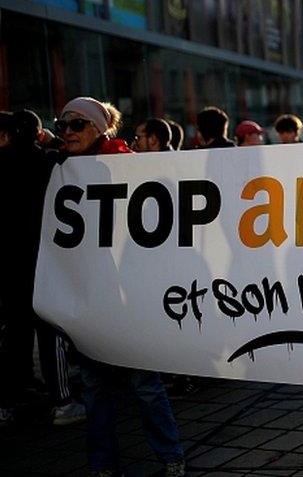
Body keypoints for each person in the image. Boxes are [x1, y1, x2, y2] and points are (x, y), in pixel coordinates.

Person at [56, 97, 186, 476]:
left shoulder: (127, 167)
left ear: (99, 128)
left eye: (77, 124)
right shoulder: (61, 170)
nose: (67, 132)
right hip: (90, 299)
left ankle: (171, 456)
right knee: (95, 389)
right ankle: (103, 464)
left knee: (146, 385)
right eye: (62, 124)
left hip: (130, 300)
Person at [1, 110, 85, 427]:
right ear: (37, 134)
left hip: (9, 264)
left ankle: (7, 403)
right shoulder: (48, 162)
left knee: (13, 332)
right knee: (49, 331)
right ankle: (62, 401)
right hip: (42, 260)